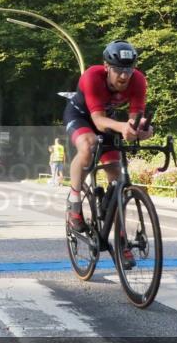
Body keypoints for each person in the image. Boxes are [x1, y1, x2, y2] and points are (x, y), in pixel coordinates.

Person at [63, 40, 152, 267]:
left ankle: (120, 240)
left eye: (128, 70)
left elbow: (135, 117)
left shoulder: (139, 80)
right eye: (118, 70)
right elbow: (99, 122)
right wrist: (123, 127)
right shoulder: (92, 77)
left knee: (117, 174)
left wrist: (139, 129)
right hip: (82, 116)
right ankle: (74, 203)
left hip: (109, 119)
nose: (124, 76)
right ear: (106, 67)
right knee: (88, 144)